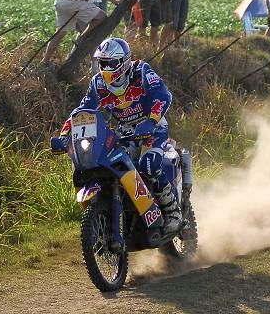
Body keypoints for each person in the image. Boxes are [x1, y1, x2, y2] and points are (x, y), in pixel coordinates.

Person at [58, 37, 182, 234]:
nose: (105, 68)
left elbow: (163, 96)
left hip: (153, 126)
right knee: (108, 167)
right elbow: (84, 110)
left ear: (124, 61)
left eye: (110, 63)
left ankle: (172, 212)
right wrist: (65, 134)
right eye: (102, 63)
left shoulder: (141, 72)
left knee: (148, 165)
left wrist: (150, 121)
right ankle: (119, 215)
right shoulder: (97, 83)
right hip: (124, 131)